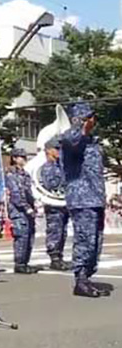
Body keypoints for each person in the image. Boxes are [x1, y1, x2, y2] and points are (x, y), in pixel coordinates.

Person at [60, 102, 109, 298]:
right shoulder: (70, 138)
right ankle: (80, 279)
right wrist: (79, 126)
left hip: (95, 198)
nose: (92, 121)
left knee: (96, 241)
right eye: (89, 117)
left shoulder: (93, 141)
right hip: (81, 199)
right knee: (84, 240)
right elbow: (72, 141)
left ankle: (87, 277)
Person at [39, 137, 71, 271]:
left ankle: (60, 256)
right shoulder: (47, 168)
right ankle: (54, 258)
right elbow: (51, 185)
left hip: (63, 203)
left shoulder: (61, 166)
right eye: (56, 149)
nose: (59, 151)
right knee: (55, 231)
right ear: (48, 150)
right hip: (53, 205)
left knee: (63, 231)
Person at [5, 148, 39, 274]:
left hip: (28, 209)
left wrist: (34, 205)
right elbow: (16, 194)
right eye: (21, 157)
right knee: (22, 236)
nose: (24, 159)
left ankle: (25, 262)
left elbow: (29, 192)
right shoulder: (11, 174)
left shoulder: (25, 174)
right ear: (14, 158)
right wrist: (27, 208)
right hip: (18, 211)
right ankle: (19, 263)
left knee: (29, 236)